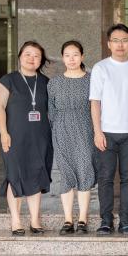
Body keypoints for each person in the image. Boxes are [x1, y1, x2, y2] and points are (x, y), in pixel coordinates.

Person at [90, 23, 128, 236]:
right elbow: (95, 102)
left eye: (124, 41)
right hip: (107, 132)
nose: (120, 45)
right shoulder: (100, 68)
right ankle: (106, 220)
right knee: (105, 178)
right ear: (109, 44)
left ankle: (126, 221)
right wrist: (97, 131)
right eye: (115, 41)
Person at [0, 41, 52, 235]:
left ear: (41, 60)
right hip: (15, 137)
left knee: (37, 174)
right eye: (28, 54)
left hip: (40, 137)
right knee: (15, 175)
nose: (31, 58)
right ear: (19, 56)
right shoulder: (8, 80)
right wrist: (3, 133)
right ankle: (16, 220)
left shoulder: (45, 82)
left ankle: (35, 220)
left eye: (36, 56)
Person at [48, 40, 96, 235]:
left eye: (75, 54)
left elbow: (97, 107)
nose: (71, 59)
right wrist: (57, 128)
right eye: (67, 55)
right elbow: (51, 110)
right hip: (61, 130)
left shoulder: (92, 80)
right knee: (66, 174)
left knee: (84, 170)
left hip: (85, 130)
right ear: (62, 58)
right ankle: (68, 219)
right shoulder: (54, 82)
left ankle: (83, 219)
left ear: (82, 56)